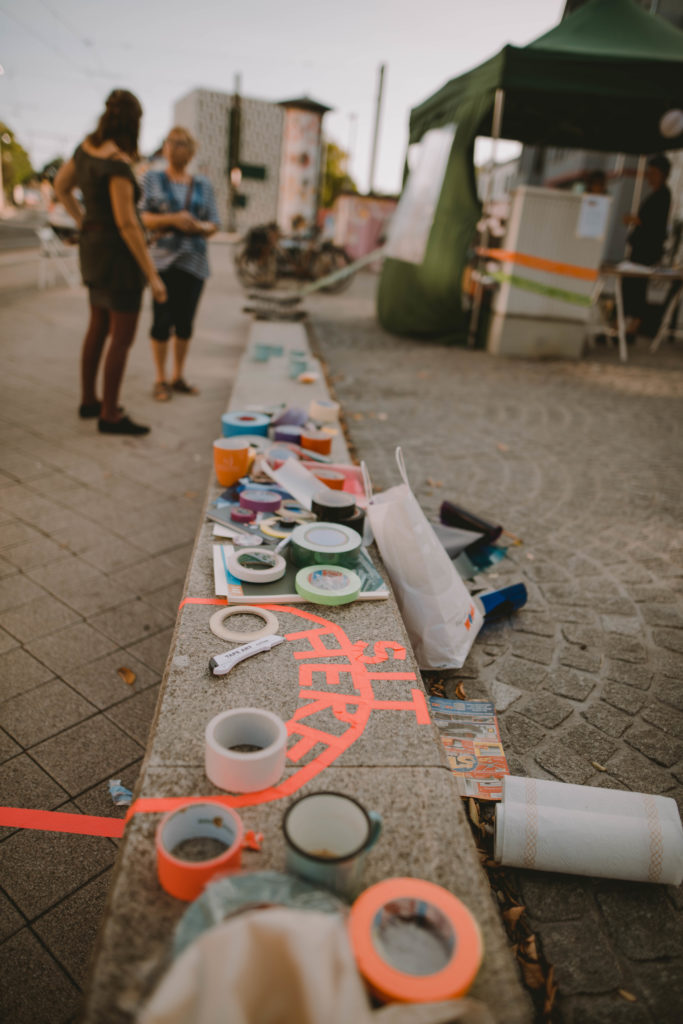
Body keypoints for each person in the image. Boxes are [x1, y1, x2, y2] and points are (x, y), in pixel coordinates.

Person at [54, 89, 167, 435]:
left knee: (97, 325)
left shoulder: (85, 149)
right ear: (134, 123)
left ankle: (90, 401)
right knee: (121, 335)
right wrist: (152, 275)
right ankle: (110, 415)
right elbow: (127, 223)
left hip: (92, 249)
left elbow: (61, 187)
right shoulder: (117, 162)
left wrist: (83, 221)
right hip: (119, 259)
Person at [139, 127, 219, 401]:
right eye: (171, 142)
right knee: (161, 322)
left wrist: (199, 226)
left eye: (182, 143)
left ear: (191, 150)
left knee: (185, 324)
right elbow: (142, 217)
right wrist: (171, 220)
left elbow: (214, 223)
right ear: (165, 147)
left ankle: (178, 376)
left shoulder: (203, 185)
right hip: (162, 263)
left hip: (194, 263)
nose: (175, 147)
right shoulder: (152, 178)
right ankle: (160, 379)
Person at [622, 153, 672, 335]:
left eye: (653, 173)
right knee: (633, 283)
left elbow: (653, 223)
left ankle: (634, 323)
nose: (650, 176)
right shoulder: (657, 194)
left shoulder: (663, 195)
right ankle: (630, 322)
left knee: (636, 284)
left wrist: (636, 220)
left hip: (646, 250)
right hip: (642, 247)